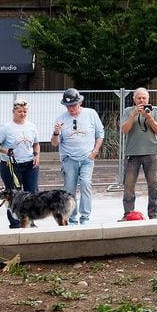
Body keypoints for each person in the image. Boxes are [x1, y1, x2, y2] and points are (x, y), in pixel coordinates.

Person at [52, 88, 105, 225]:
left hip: (87, 158)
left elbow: (100, 134)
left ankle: (85, 217)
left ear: (80, 103)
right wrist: (56, 133)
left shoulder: (91, 114)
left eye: (74, 105)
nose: (71, 108)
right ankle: (72, 218)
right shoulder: (61, 119)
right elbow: (54, 143)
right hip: (69, 158)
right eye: (68, 106)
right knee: (69, 189)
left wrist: (95, 152)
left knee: (86, 184)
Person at [0, 99, 41, 229]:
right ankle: (15, 223)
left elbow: (36, 144)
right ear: (13, 111)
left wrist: (37, 155)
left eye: (25, 111)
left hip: (30, 164)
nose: (23, 114)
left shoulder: (31, 126)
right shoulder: (6, 127)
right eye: (19, 111)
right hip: (11, 165)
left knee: (32, 193)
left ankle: (30, 221)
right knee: (13, 194)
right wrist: (5, 151)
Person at [119, 87, 157, 220]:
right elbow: (124, 130)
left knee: (153, 186)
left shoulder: (155, 110)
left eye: (144, 98)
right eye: (139, 98)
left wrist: (149, 118)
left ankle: (153, 214)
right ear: (134, 99)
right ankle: (128, 213)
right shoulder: (128, 111)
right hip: (132, 154)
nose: (142, 100)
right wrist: (133, 115)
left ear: (148, 99)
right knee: (129, 186)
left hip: (151, 152)